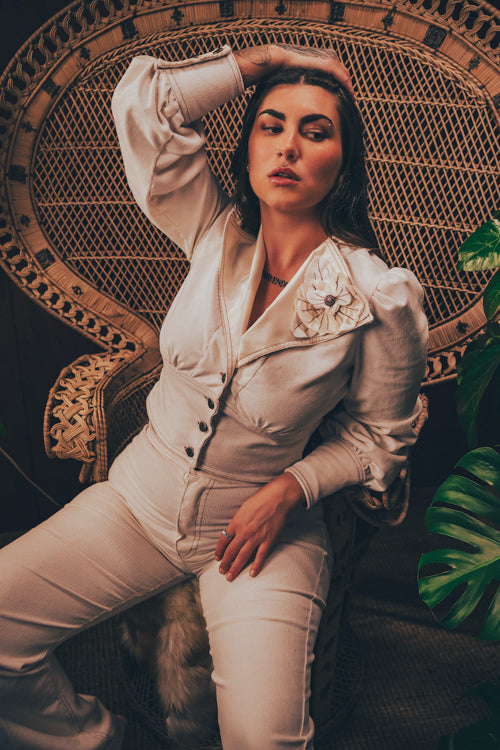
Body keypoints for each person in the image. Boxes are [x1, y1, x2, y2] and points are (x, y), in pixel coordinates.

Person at [0, 43, 428, 749]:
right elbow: (144, 104)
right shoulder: (212, 229)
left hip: (260, 534)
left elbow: (380, 439)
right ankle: (99, 739)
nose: (288, 146)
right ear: (248, 147)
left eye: (316, 132)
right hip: (137, 502)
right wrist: (266, 59)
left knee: (264, 739)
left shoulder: (378, 294)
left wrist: (291, 488)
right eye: (271, 125)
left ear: (344, 163)